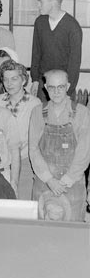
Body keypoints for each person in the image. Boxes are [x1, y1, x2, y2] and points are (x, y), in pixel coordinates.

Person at [29, 69, 90, 222]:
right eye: (51, 87)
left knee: (71, 233)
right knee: (41, 231)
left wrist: (67, 179)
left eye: (60, 87)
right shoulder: (37, 112)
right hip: (44, 183)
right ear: (45, 88)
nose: (56, 92)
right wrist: (49, 180)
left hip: (72, 183)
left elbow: (85, 151)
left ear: (68, 86)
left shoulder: (81, 112)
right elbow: (33, 149)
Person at [0, 60, 41, 200]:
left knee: (22, 202)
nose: (9, 83)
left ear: (23, 80)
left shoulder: (35, 104)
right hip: (1, 160)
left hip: (25, 160)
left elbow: (36, 138)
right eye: (6, 79)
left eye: (14, 79)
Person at [31, 0, 82, 102]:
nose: (38, 5)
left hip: (63, 87)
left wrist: (68, 90)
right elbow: (36, 53)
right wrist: (35, 80)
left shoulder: (72, 26)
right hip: (43, 86)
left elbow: (74, 63)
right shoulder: (40, 22)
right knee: (43, 118)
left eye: (40, 1)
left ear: (53, 2)